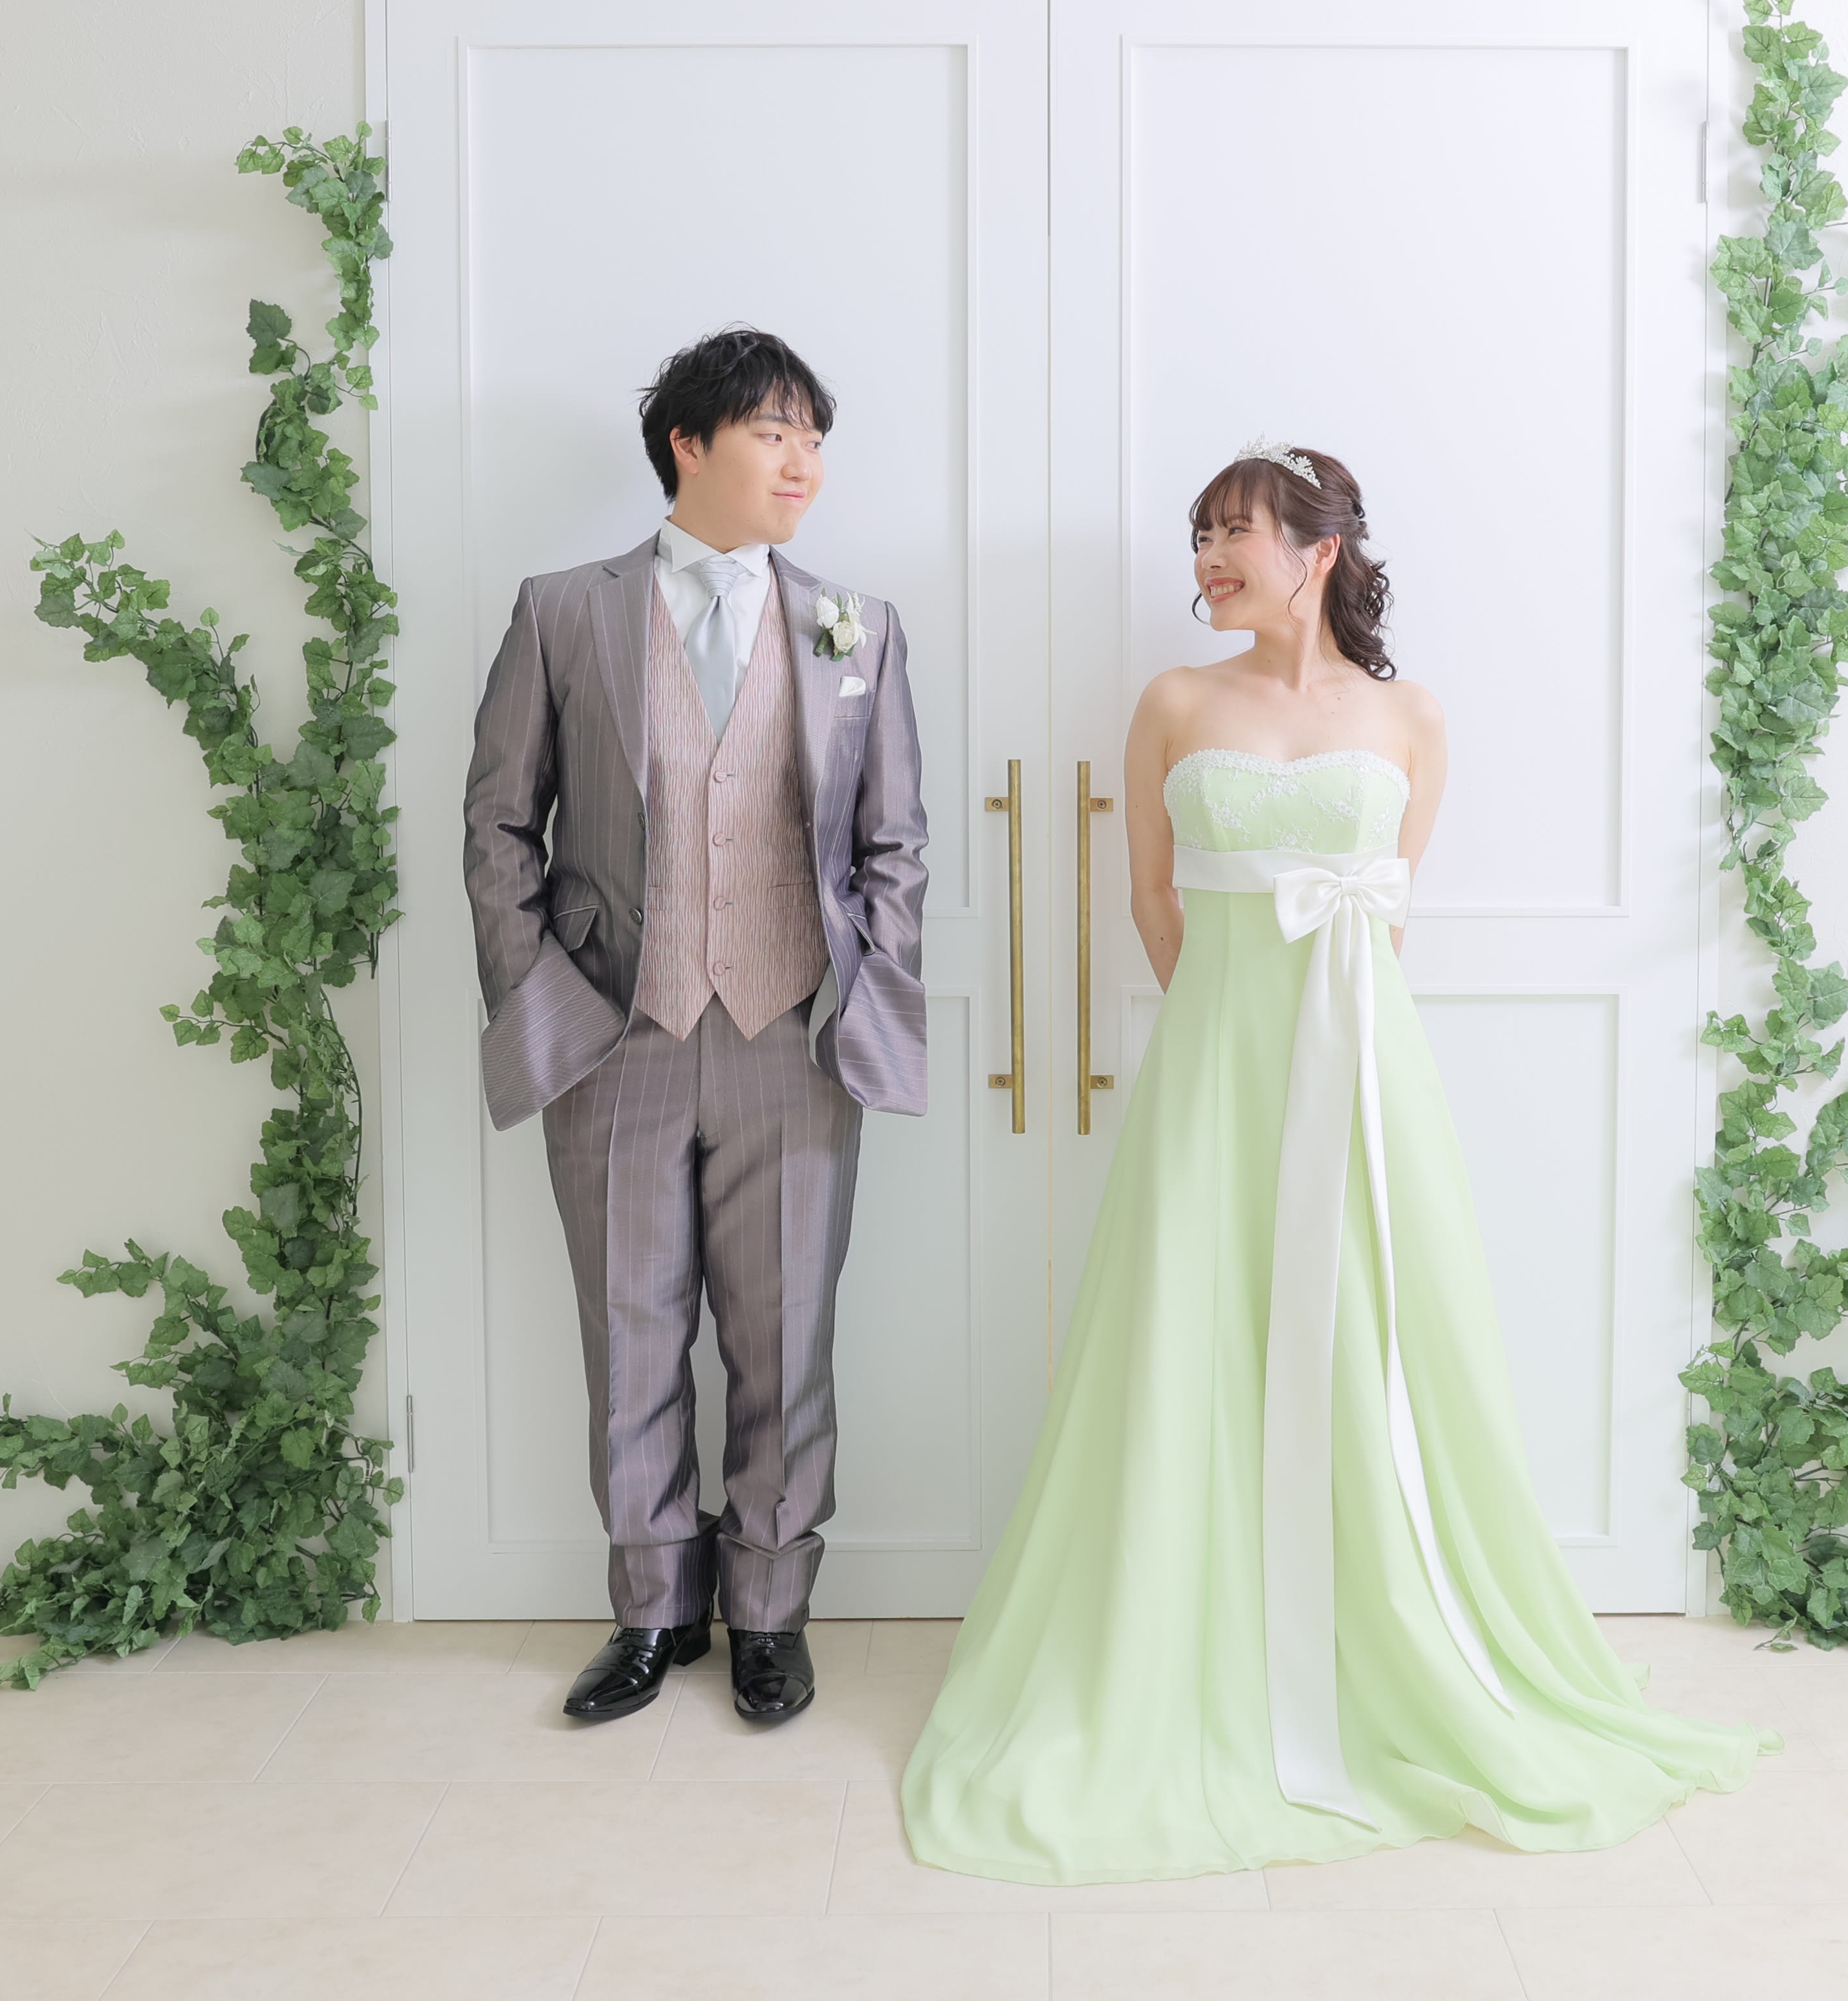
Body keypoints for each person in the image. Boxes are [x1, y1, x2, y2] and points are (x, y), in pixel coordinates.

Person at [899, 440, 1770, 1881]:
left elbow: (1393, 912)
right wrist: (1220, 1026)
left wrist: (1322, 1039)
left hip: (1364, 1067)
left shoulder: (1411, 716)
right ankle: (1183, 1649)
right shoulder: (1173, 703)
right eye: (1199, 535)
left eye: (1233, 531)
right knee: (1189, 1329)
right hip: (1212, 1065)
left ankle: (1392, 1641)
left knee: (1376, 1332)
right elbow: (1153, 901)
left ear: (1318, 551)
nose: (1207, 559)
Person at [461, 326, 928, 1727]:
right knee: (630, 1335)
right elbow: (498, 826)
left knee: (787, 1340)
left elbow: (894, 844)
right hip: (617, 1035)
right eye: (776, 433)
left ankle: (770, 1611)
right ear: (689, 443)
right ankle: (654, 1608)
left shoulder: (858, 624)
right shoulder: (564, 611)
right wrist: (544, 996)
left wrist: (864, 985)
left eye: (814, 440)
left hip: (794, 1035)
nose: (804, 464)